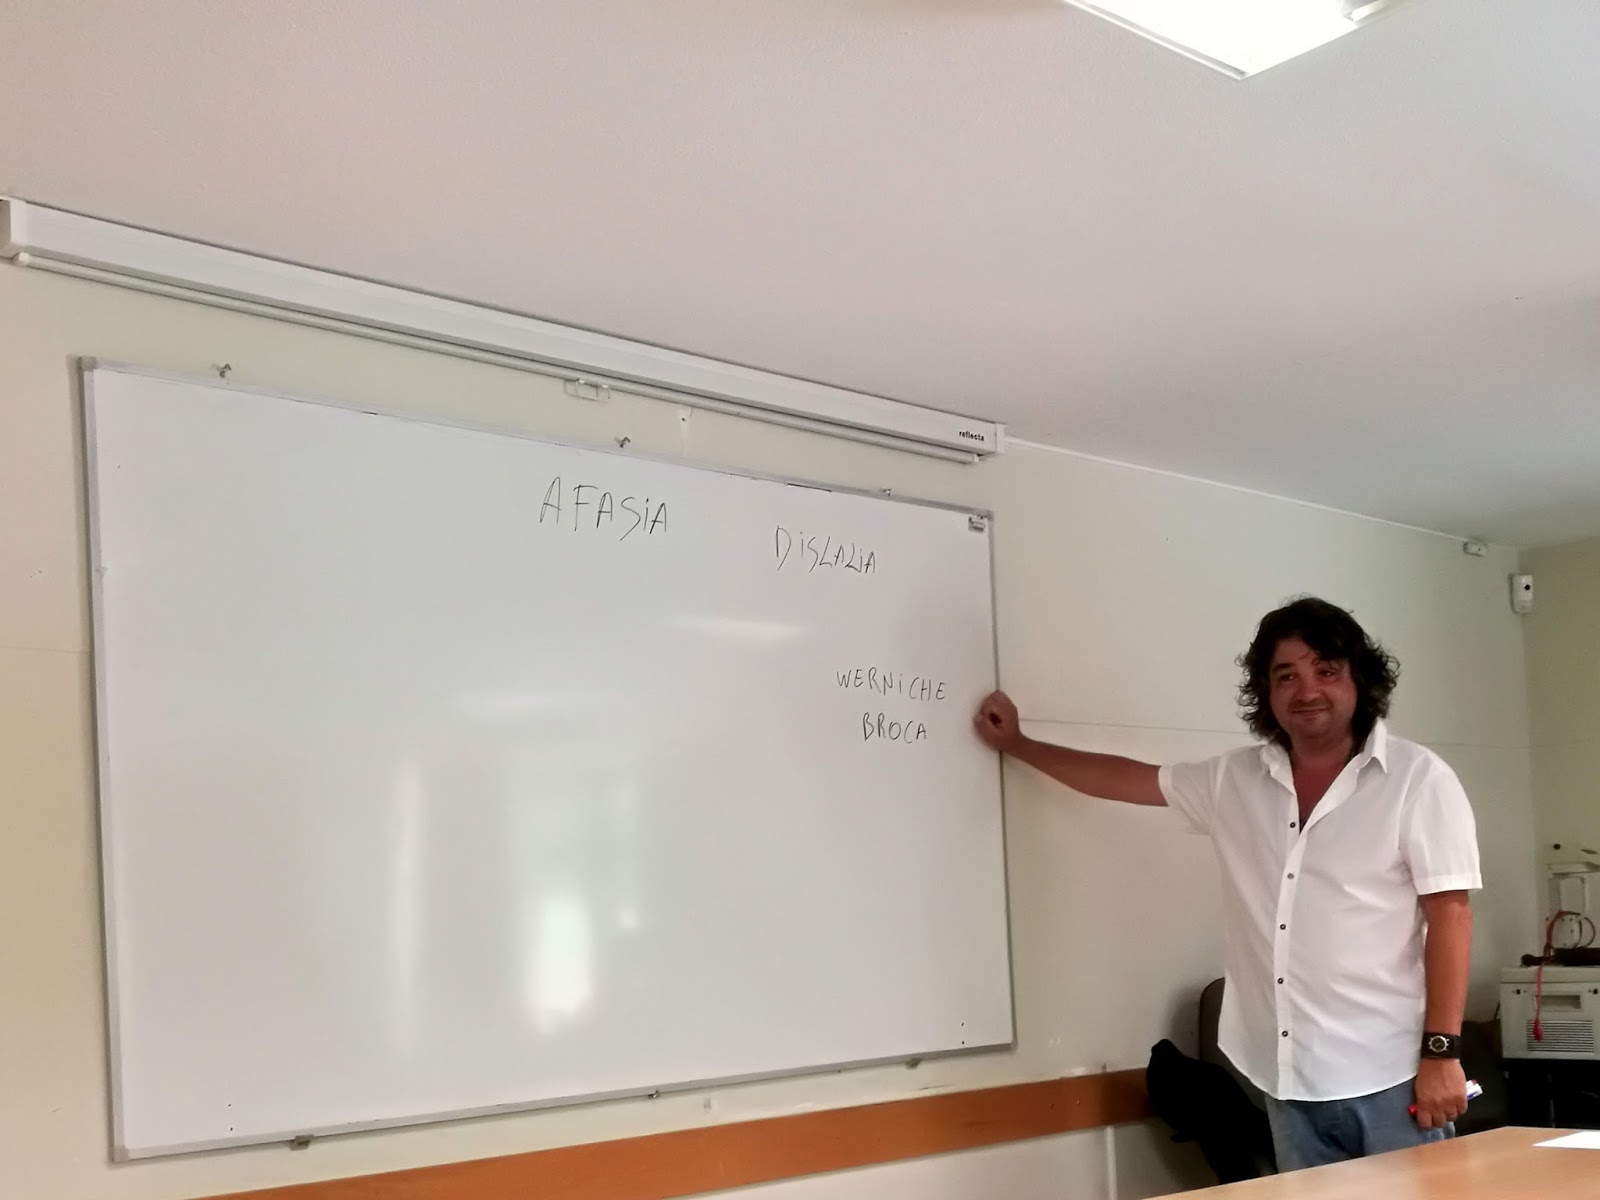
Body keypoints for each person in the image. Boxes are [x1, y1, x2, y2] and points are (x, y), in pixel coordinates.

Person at [973, 596, 1480, 1172]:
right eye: (1286, 675)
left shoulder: (1417, 780)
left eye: (1326, 671)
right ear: (1266, 690)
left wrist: (1443, 1053)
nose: (1306, 690)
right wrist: (1020, 745)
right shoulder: (1235, 780)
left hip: (1392, 1076)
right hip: (1286, 1080)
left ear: (1358, 680)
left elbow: (1451, 916)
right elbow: (1124, 779)